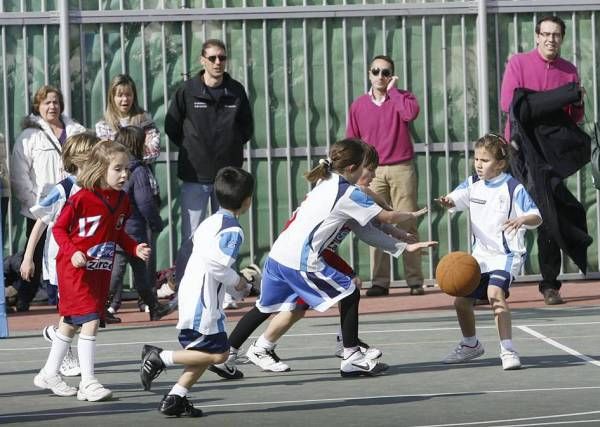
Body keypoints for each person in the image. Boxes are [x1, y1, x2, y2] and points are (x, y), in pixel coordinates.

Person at [208, 143, 435, 379]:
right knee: (349, 291)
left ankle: (225, 355)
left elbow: (367, 228)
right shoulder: (347, 193)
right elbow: (385, 216)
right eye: (369, 169)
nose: (374, 175)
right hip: (301, 259)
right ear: (353, 168)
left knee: (264, 308)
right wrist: (410, 214)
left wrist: (403, 244)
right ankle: (351, 356)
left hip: (279, 255)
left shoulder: (326, 180)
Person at [33, 140, 151, 401]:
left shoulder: (121, 200)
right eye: (117, 169)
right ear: (100, 169)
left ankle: (49, 372)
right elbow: (59, 229)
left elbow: (118, 233)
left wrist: (134, 248)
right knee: (90, 320)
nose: (124, 175)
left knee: (69, 324)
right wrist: (73, 251)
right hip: (74, 271)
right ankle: (88, 381)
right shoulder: (81, 198)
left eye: (127, 170)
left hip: (99, 272)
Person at [139, 166, 255, 418]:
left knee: (202, 353)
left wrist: (233, 287)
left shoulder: (211, 221)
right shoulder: (233, 230)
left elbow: (202, 258)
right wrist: (240, 283)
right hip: (203, 303)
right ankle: (160, 357)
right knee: (218, 355)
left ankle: (175, 397)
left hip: (196, 295)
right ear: (248, 201)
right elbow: (217, 265)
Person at [436, 134, 542, 370]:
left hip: (506, 256)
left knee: (495, 293)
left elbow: (536, 217)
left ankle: (508, 350)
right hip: (479, 258)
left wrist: (522, 218)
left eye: (485, 160)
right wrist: (447, 201)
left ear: (501, 163)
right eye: (476, 159)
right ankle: (471, 344)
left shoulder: (513, 187)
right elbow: (455, 198)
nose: (479, 164)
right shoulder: (472, 183)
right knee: (461, 302)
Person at [500, 16, 583, 306]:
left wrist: (576, 101)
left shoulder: (569, 72)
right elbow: (509, 105)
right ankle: (496, 283)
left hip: (550, 158)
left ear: (562, 38)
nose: (550, 39)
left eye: (556, 34)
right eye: (545, 34)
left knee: (550, 219)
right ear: (536, 37)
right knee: (507, 216)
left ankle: (550, 285)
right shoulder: (519, 64)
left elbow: (573, 118)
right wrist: (550, 103)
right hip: (518, 152)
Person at [20, 132, 99, 377]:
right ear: (79, 160)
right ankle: (62, 356)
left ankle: (56, 337)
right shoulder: (63, 189)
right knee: (73, 314)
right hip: (59, 262)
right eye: (95, 155)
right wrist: (28, 257)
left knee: (79, 314)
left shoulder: (96, 188)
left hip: (83, 261)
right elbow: (40, 222)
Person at [346, 55, 424, 297]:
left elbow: (410, 115)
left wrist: (396, 92)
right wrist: (357, 171)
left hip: (402, 168)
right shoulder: (358, 105)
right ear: (369, 74)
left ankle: (414, 280)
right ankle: (380, 281)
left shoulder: (404, 98)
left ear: (392, 75)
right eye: (376, 71)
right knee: (374, 222)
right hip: (372, 173)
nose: (380, 76)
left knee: (407, 221)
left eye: (386, 72)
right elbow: (352, 139)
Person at [165, 38, 253, 242]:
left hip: (228, 178)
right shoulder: (187, 91)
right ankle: (188, 274)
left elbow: (246, 127)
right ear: (202, 60)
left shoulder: (236, 91)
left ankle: (226, 275)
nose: (217, 62)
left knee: (225, 234)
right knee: (191, 236)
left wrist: (231, 147)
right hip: (195, 176)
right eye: (212, 58)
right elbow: (172, 127)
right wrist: (192, 147)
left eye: (222, 58)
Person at [10, 86, 86, 311]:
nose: (52, 106)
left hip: (72, 203)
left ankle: (67, 298)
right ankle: (24, 297)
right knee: (33, 251)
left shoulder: (77, 132)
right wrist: (35, 203)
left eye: (55, 102)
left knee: (69, 250)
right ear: (38, 107)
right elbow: (19, 174)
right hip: (42, 205)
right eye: (46, 103)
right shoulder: (29, 136)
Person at [107, 126, 169, 321]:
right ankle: (153, 306)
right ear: (137, 144)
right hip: (134, 231)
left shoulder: (112, 170)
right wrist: (156, 222)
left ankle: (103, 307)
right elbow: (145, 202)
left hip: (116, 229)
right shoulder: (139, 170)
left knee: (115, 271)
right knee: (142, 273)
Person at [95, 74, 161, 163]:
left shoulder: (145, 120)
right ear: (112, 97)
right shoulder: (103, 125)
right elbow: (106, 155)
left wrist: (119, 150)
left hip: (139, 172)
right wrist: (140, 149)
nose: (125, 99)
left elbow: (153, 151)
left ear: (134, 96)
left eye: (128, 94)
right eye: (120, 95)